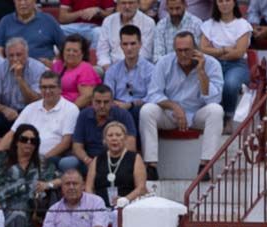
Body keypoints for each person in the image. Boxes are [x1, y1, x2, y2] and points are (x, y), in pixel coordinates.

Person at [139, 32, 223, 180]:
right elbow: (153, 94)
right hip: (171, 115)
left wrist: (201, 71)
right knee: (147, 110)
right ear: (174, 50)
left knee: (216, 110)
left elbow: (214, 99)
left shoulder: (212, 64)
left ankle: (205, 166)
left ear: (195, 48)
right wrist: (175, 107)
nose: (183, 54)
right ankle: (151, 166)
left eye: (187, 50)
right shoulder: (164, 62)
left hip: (197, 114)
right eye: (179, 50)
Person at [0, 123, 56, 227]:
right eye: (24, 139)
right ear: (16, 141)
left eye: (33, 141)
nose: (28, 143)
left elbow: (62, 179)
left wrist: (48, 184)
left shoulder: (42, 162)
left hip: (28, 206)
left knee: (19, 212)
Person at [0, 70, 79, 167]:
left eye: (51, 87)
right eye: (44, 87)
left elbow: (65, 143)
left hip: (50, 159)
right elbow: (12, 134)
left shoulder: (71, 109)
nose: (47, 91)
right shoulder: (30, 108)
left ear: (60, 89)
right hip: (23, 157)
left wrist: (40, 160)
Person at [0, 37, 45, 146]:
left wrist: (19, 78)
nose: (15, 59)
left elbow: (36, 101)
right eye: (11, 55)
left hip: (30, 113)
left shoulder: (38, 68)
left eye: (19, 55)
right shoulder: (0, 68)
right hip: (7, 112)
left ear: (26, 54)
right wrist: (4, 109)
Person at [63, 84, 137, 175]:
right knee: (67, 162)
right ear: (92, 101)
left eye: (106, 102)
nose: (102, 105)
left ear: (112, 102)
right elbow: (77, 146)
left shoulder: (123, 115)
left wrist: (112, 161)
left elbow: (131, 146)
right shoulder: (84, 115)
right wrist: (87, 160)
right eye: (98, 102)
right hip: (89, 160)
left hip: (115, 160)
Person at [200, 0, 251, 123]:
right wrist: (224, 50)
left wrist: (215, 52)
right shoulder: (208, 24)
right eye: (220, 1)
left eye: (227, 0)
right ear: (216, 4)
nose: (224, 4)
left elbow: (239, 53)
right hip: (213, 64)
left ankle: (228, 117)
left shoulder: (243, 25)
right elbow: (203, 49)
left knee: (230, 84)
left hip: (237, 65)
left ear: (234, 3)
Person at [103, 25, 154, 130]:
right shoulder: (112, 70)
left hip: (139, 108)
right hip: (118, 107)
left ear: (140, 44)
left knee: (139, 111)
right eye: (125, 44)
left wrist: (130, 104)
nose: (129, 48)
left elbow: (152, 96)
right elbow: (107, 95)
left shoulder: (151, 70)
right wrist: (115, 103)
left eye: (133, 43)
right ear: (121, 45)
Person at [88, 120, 146, 208]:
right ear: (105, 139)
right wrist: (95, 204)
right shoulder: (97, 159)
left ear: (125, 138)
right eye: (110, 135)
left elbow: (141, 188)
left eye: (118, 135)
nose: (114, 138)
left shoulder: (135, 158)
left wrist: (125, 199)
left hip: (127, 207)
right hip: (101, 209)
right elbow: (89, 187)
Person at [42, 169, 112, 227]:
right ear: (62, 187)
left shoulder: (96, 202)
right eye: (67, 184)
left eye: (75, 184)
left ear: (83, 186)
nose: (71, 187)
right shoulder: (53, 210)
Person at [0, 0, 66, 63]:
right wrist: (4, 67)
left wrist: (54, 63)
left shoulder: (48, 20)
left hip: (44, 70)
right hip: (14, 68)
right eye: (19, 0)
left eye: (26, 0)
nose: (22, 3)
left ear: (34, 1)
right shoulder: (5, 22)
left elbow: (64, 47)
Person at [97, 0, 156, 70]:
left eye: (131, 3)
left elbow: (145, 54)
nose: (127, 6)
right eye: (123, 3)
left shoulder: (148, 23)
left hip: (139, 68)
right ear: (118, 4)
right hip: (111, 67)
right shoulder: (108, 21)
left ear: (138, 4)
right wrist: (108, 67)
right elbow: (102, 51)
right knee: (95, 70)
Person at [53, 34, 99, 109]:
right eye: (68, 50)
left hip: (74, 109)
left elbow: (87, 96)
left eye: (75, 51)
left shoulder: (85, 69)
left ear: (82, 53)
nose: (71, 53)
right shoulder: (57, 65)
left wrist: (68, 111)